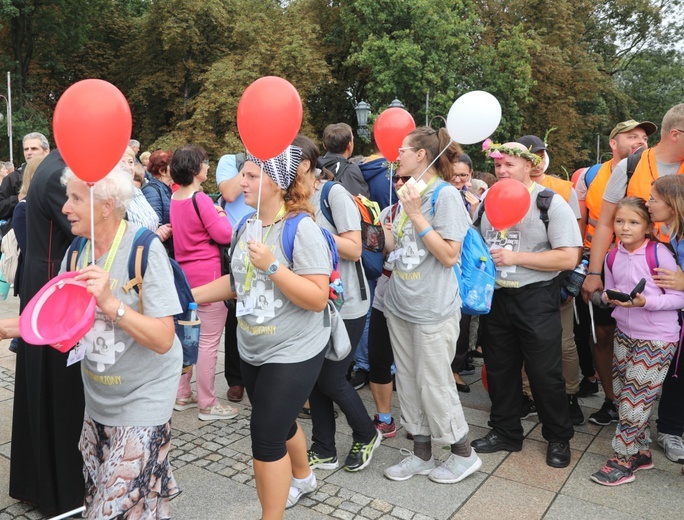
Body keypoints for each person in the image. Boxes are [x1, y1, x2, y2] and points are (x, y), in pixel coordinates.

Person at [1, 165, 185, 516]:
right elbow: (52, 322)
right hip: (99, 401)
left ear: (105, 206)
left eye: (74, 199)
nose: (65, 207)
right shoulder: (75, 253)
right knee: (134, 504)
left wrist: (112, 304)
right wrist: (6, 328)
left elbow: (163, 339)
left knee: (108, 509)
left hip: (144, 399)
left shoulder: (144, 249)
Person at [192, 145, 332, 518]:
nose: (242, 181)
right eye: (244, 174)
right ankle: (303, 477)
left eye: (252, 175)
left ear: (277, 181)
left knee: (266, 435)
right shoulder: (247, 225)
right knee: (282, 421)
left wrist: (273, 267)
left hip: (295, 348)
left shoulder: (302, 229)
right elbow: (236, 282)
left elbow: (318, 297)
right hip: (253, 345)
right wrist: (188, 298)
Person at [472, 141, 581, 469]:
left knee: (544, 372)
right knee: (500, 368)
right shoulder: (487, 201)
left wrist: (517, 257)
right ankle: (505, 431)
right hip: (497, 298)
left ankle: (558, 436)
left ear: (530, 166)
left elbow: (569, 256)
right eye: (498, 166)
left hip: (535, 297)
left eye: (510, 165)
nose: (502, 171)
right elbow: (478, 242)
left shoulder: (550, 202)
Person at [381, 127, 481, 484]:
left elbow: (450, 254)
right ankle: (422, 453)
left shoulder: (445, 196)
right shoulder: (411, 191)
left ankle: (462, 453)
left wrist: (416, 215)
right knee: (407, 382)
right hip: (401, 303)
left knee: (435, 383)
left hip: (433, 308)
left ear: (422, 155)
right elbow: (399, 247)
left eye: (403, 150)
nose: (398, 155)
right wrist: (378, 229)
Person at [583, 105, 684, 434]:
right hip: (630, 271)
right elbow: (603, 225)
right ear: (676, 134)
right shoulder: (631, 166)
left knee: (672, 351)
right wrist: (594, 272)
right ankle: (619, 404)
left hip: (675, 277)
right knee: (616, 338)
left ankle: (667, 426)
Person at [293, 135, 380, 473]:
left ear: (303, 165)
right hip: (315, 302)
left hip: (348, 303)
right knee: (315, 378)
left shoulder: (333, 193)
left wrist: (312, 233)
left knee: (332, 378)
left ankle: (366, 432)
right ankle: (324, 448)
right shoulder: (292, 198)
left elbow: (355, 248)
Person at [590, 196, 684, 485]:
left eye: (633, 222)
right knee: (622, 396)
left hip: (657, 337)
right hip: (625, 333)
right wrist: (608, 297)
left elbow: (678, 297)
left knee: (635, 401)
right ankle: (642, 451)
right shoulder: (612, 255)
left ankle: (623, 458)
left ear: (647, 226)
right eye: (619, 221)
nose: (625, 227)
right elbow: (611, 289)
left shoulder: (659, 254)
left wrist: (645, 302)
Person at [9, 149, 83, 516]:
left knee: (39, 393)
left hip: (47, 282)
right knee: (57, 396)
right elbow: (84, 228)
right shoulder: (60, 173)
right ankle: (61, 493)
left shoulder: (56, 165)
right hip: (55, 289)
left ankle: (36, 485)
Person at [574, 120, 656, 426]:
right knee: (603, 334)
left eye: (645, 137)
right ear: (613, 143)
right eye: (632, 136)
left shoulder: (654, 170)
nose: (640, 141)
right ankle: (611, 399)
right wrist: (587, 267)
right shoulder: (592, 175)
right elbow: (584, 222)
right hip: (601, 265)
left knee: (645, 333)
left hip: (644, 266)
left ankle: (641, 400)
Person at [516, 134, 584, 425]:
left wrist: (570, 278)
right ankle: (529, 395)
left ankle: (570, 394)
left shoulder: (562, 189)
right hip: (521, 283)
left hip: (557, 277)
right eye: (532, 154)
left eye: (541, 154)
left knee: (564, 342)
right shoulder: (505, 189)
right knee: (523, 343)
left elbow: (575, 240)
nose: (538, 160)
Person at [170, 145, 236, 420]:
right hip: (209, 278)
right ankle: (208, 403)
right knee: (208, 342)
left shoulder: (175, 197)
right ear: (195, 169)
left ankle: (182, 393)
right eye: (206, 162)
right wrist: (222, 215)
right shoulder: (201, 200)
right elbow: (224, 234)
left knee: (186, 338)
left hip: (184, 277)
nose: (208, 166)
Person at [646, 175, 684, 465]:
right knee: (677, 373)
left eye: (653, 199)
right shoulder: (670, 232)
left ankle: (671, 429)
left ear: (672, 204)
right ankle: (670, 429)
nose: (648, 204)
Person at [216, 152, 252, 403]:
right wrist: (250, 164)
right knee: (234, 312)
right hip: (235, 246)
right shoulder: (231, 161)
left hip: (265, 237)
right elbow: (229, 194)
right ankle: (236, 379)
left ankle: (258, 373)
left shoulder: (276, 159)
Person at [0, 132, 50, 222]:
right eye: (26, 149)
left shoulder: (55, 174)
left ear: (46, 151)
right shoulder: (12, 179)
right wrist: (18, 199)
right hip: (22, 231)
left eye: (34, 149)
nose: (29, 153)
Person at [319, 123, 370, 198]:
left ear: (324, 146)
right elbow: (360, 203)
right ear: (349, 145)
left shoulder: (314, 165)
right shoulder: (350, 170)